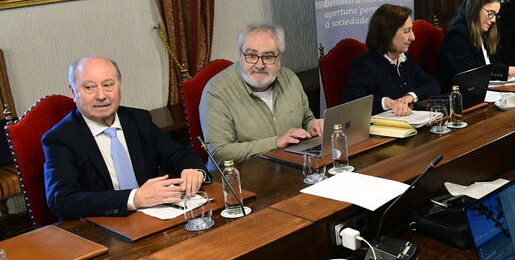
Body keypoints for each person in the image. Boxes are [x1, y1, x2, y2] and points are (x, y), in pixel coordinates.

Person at [43, 56, 207, 220]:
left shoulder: (138, 120)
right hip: (103, 227)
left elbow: (177, 154)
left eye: (108, 85)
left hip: (154, 218)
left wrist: (193, 171)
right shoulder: (60, 139)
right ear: (73, 91)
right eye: (89, 87)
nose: (101, 95)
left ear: (119, 87)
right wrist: (133, 199)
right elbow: (61, 200)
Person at [199, 24, 324, 169]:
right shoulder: (217, 92)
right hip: (240, 179)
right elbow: (219, 153)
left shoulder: (290, 79)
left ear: (279, 58)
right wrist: (275, 143)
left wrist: (313, 127)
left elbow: (306, 120)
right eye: (251, 55)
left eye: (268, 56)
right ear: (240, 55)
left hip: (290, 169)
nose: (259, 64)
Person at [342, 4, 440, 116]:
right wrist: (388, 103)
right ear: (388, 34)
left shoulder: (406, 60)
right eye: (407, 31)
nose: (413, 37)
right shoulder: (363, 65)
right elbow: (353, 105)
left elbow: (433, 85)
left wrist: (409, 97)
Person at [437, 0, 515, 91]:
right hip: (459, 95)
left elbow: (495, 64)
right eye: (490, 13)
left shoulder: (484, 32)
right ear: (476, 8)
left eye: (495, 14)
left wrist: (514, 70)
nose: (493, 20)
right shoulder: (457, 34)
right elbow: (471, 71)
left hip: (484, 90)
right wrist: (508, 71)